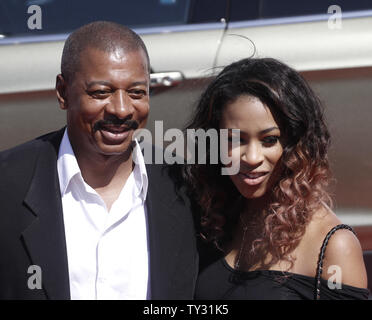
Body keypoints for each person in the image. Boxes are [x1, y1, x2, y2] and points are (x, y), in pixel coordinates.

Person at [0, 21, 198, 300]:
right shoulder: (8, 186)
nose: (121, 109)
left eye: (137, 93)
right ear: (62, 92)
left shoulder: (186, 189)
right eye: (101, 92)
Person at [180, 57, 369, 299]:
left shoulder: (333, 246)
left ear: (296, 144)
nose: (251, 157)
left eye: (270, 140)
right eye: (235, 139)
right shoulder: (211, 217)